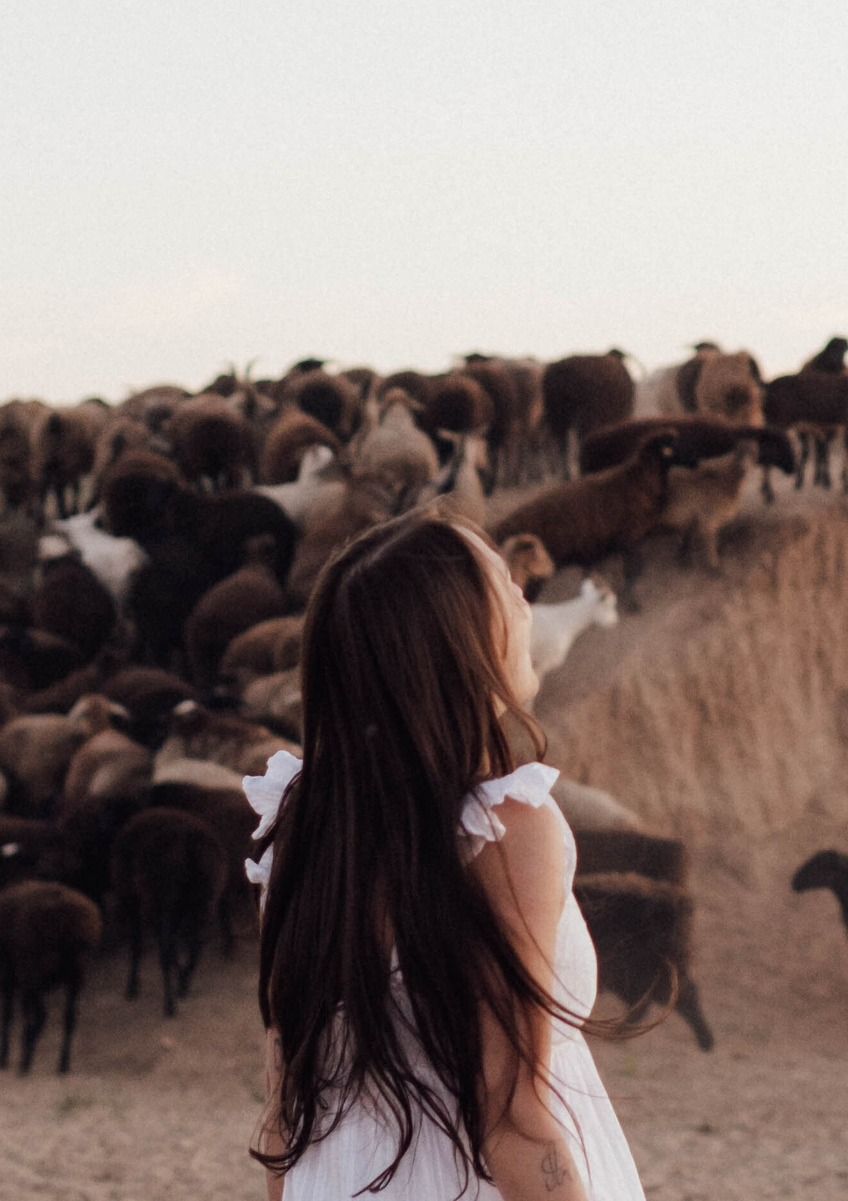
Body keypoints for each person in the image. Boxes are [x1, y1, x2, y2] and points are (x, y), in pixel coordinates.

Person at [248, 509, 643, 1201]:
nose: (525, 606)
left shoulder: (302, 823)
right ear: (461, 641)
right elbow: (514, 1116)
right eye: (507, 590)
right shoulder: (504, 827)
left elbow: (286, 1106)